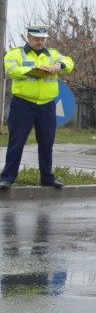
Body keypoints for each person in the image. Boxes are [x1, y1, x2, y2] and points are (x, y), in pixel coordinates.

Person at [0, 26, 75, 190]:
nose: (39, 42)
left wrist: (59, 66)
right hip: (23, 104)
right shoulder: (15, 53)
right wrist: (35, 71)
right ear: (28, 38)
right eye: (36, 39)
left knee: (47, 144)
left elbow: (69, 63)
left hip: (47, 105)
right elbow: (11, 70)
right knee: (16, 143)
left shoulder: (53, 54)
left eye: (42, 39)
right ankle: (7, 178)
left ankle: (47, 178)